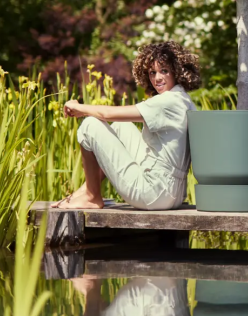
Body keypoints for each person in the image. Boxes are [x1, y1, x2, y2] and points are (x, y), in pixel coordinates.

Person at [51, 41, 201, 210]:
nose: (157, 78)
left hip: (153, 193)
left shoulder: (167, 102)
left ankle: (92, 197)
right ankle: (85, 191)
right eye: (152, 72)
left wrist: (78, 107)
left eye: (164, 71)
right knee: (122, 127)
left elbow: (107, 114)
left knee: (89, 125)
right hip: (172, 192)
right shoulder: (182, 98)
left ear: (177, 71)